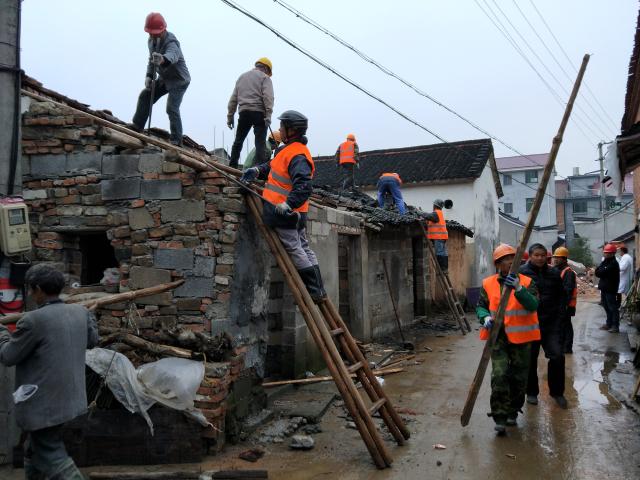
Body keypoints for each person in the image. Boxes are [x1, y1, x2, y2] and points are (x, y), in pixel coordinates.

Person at [0, 264, 98, 480]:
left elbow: (8, 356)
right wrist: (90, 317)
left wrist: (2, 333)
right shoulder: (79, 312)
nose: (29, 294)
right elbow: (92, 341)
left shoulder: (33, 320)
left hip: (45, 404)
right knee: (33, 449)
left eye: (30, 289)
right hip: (70, 400)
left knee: (51, 453)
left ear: (38, 290)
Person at [241, 110, 326, 301]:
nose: (279, 129)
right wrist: (256, 170)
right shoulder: (287, 150)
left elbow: (304, 186)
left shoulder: (297, 154)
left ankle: (313, 288)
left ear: (292, 130)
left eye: (282, 126)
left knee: (294, 248)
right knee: (303, 247)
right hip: (292, 211)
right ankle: (318, 288)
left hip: (284, 212)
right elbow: (271, 167)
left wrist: (288, 205)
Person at [476, 244, 540, 435]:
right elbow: (481, 306)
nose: (510, 262)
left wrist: (519, 289)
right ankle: (500, 416)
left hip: (522, 338)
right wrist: (485, 317)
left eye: (513, 258)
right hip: (499, 337)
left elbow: (533, 305)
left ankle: (513, 410)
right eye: (506, 259)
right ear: (498, 264)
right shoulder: (488, 283)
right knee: (500, 375)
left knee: (519, 377)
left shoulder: (528, 282)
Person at [520, 243, 568, 408]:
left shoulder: (554, 273)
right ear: (530, 256)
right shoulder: (521, 273)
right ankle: (531, 392)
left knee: (557, 356)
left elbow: (562, 297)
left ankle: (557, 392)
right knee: (530, 359)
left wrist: (561, 317)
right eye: (536, 255)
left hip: (551, 323)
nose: (540, 258)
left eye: (542, 255)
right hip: (530, 323)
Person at [131, 12, 191, 146]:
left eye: (155, 33)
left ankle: (176, 141)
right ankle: (137, 126)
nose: (152, 35)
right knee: (145, 95)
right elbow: (151, 61)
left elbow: (173, 55)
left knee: (171, 108)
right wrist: (149, 76)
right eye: (150, 33)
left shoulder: (171, 41)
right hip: (165, 78)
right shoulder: (151, 42)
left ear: (162, 30)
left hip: (179, 80)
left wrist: (163, 59)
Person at [227, 58, 275, 169]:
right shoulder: (265, 78)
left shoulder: (242, 77)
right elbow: (268, 97)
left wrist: (230, 117)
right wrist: (268, 116)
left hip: (244, 112)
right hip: (259, 114)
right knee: (260, 144)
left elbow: (233, 99)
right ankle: (258, 170)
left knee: (238, 141)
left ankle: (232, 167)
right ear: (266, 68)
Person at [551, 247, 577, 354]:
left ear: (564, 258)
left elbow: (568, 290)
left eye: (558, 257)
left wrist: (564, 305)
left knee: (566, 326)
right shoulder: (557, 269)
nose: (556, 259)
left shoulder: (568, 272)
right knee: (561, 325)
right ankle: (562, 345)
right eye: (555, 257)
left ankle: (567, 348)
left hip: (566, 305)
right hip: (560, 304)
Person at [595, 243, 621, 333]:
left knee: (612, 307)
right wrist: (602, 270)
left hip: (610, 289)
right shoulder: (605, 261)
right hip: (604, 288)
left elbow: (601, 272)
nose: (605, 254)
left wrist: (602, 270)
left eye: (607, 252)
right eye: (605, 252)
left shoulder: (614, 263)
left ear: (612, 253)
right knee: (606, 306)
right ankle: (608, 323)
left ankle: (615, 326)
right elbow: (597, 272)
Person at [425, 199, 448, 272]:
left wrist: (419, 213)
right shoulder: (439, 213)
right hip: (442, 237)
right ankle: (444, 268)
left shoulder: (436, 213)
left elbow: (428, 216)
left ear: (435, 205)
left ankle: (441, 269)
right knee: (443, 253)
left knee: (440, 252)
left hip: (439, 237)